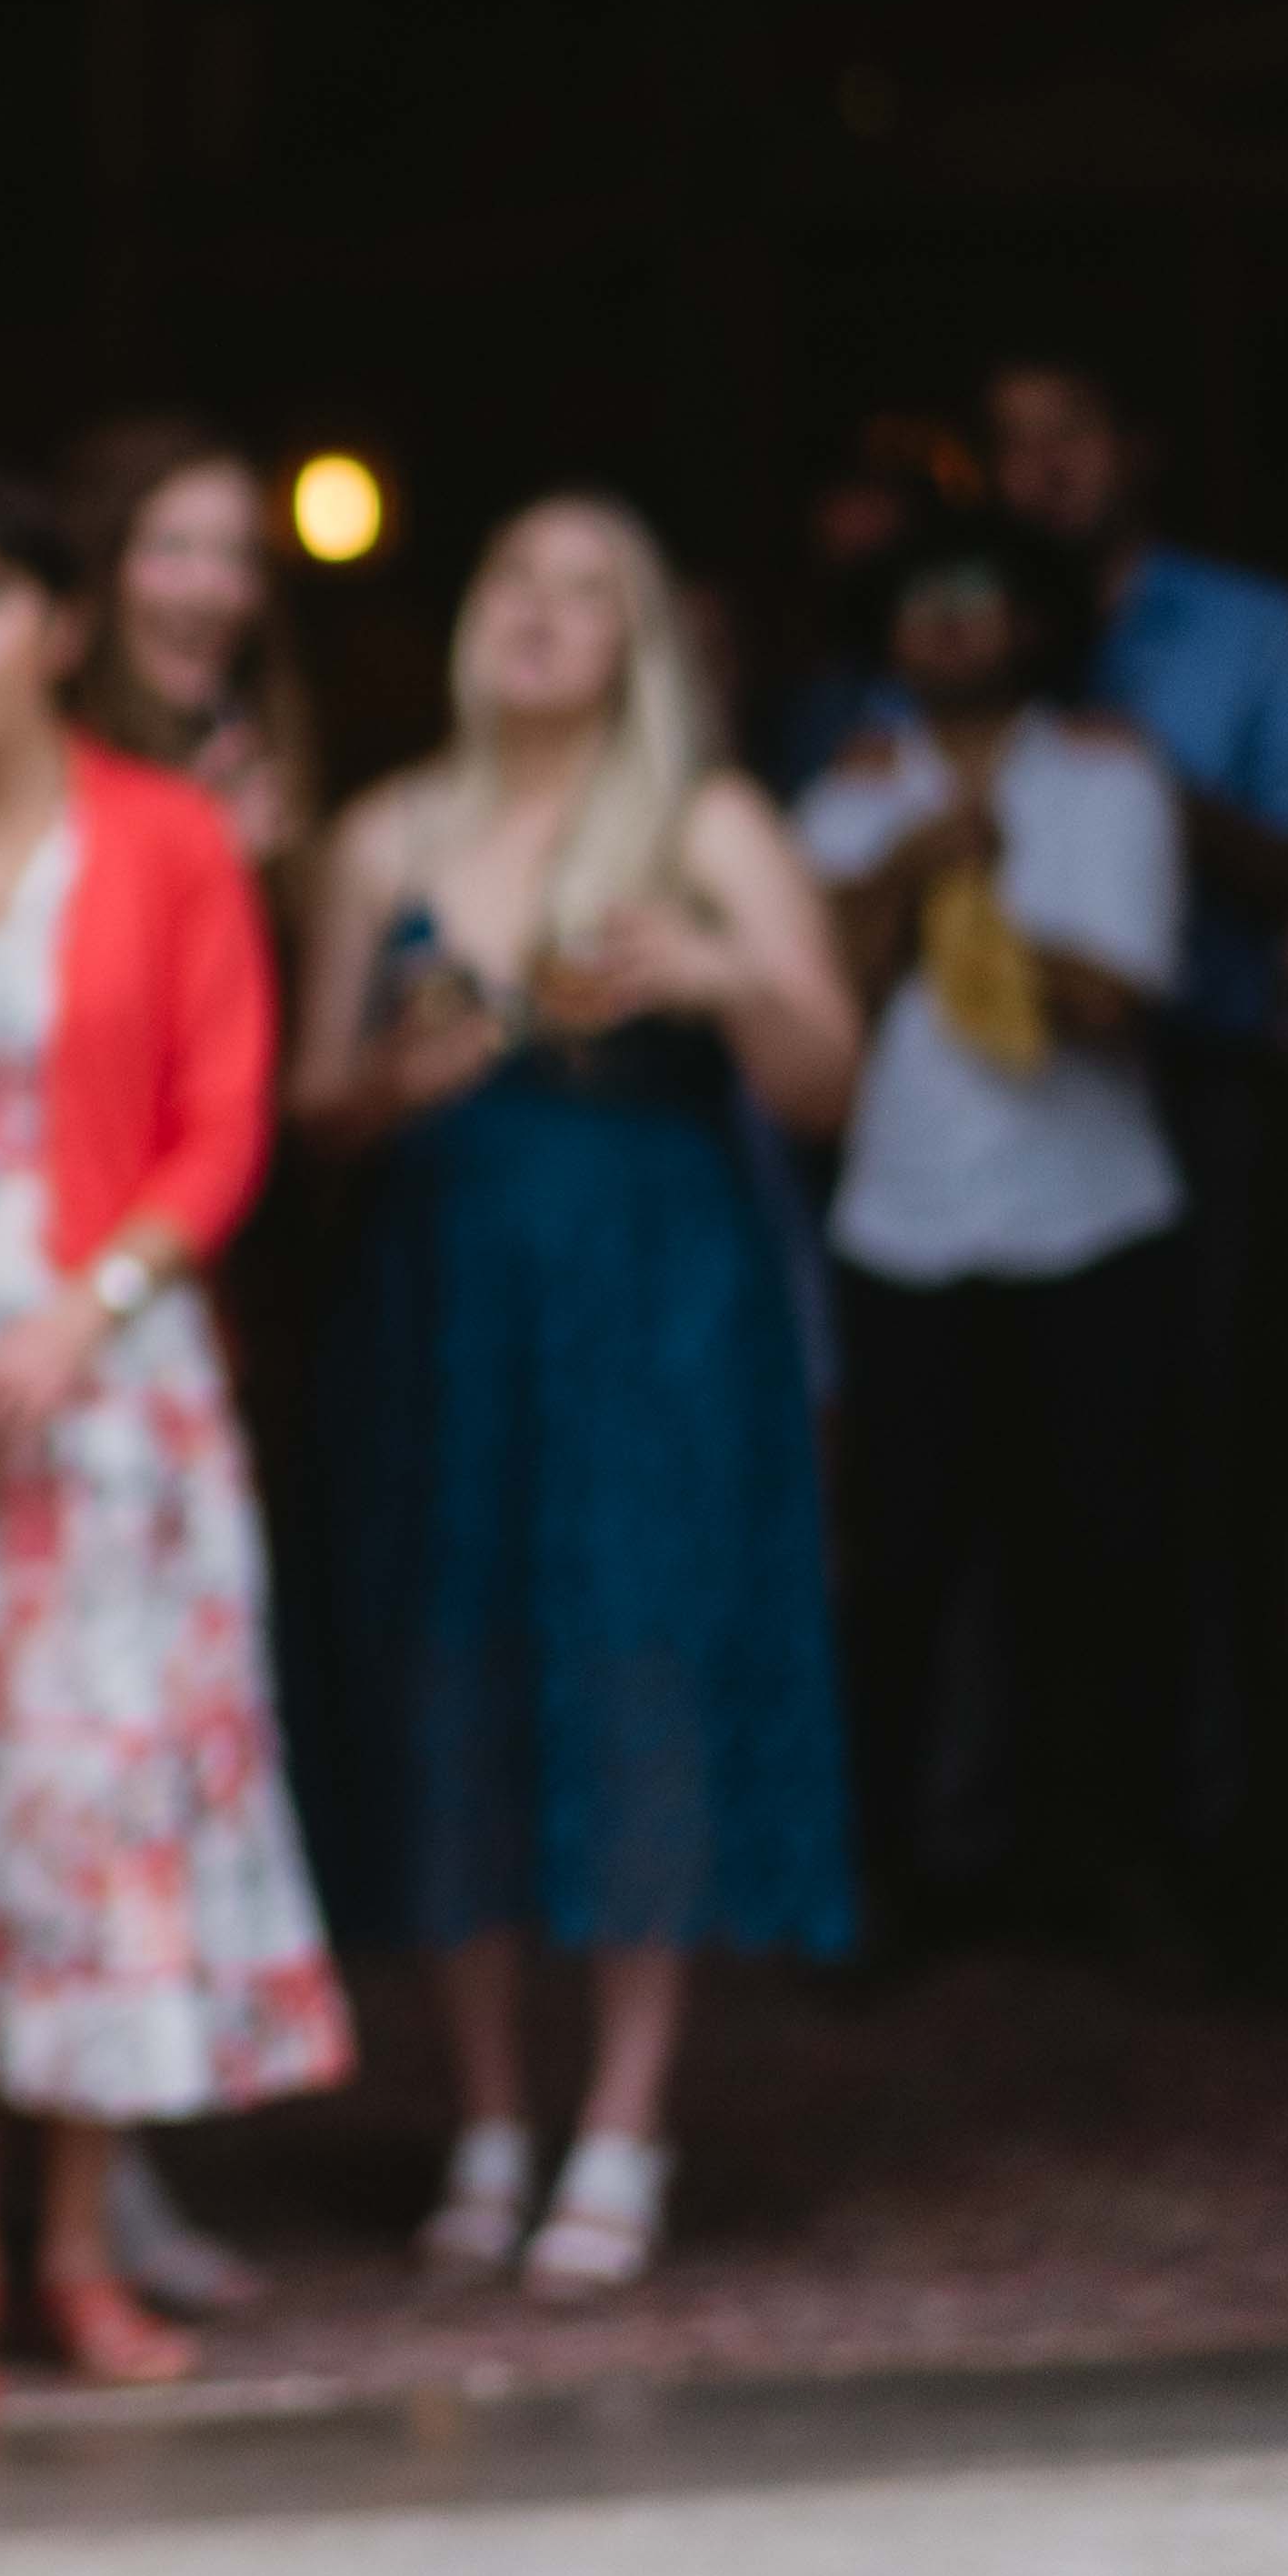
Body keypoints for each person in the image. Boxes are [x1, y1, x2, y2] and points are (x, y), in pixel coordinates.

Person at [291, 494, 863, 2299]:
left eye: (581, 591)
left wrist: (716, 972)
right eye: (508, 579)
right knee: (451, 1667)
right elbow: (304, 1122)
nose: (537, 614)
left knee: (635, 1667)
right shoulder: (380, 831)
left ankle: (620, 2117)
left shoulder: (703, 821)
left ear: (638, 639)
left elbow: (829, 1082)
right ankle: (481, 2113)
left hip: (652, 1293)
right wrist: (390, 1079)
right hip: (448, 1295)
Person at [0, 474, 346, 2391]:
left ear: (64, 624)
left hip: (107, 1382)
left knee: (99, 1795)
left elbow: (223, 1113)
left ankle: (77, 2247)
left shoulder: (164, 838)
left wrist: (84, 1310)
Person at [791, 510, 1192, 1949]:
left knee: (1111, 1559)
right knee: (897, 1569)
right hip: (903, 1222)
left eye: (980, 596)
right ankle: (888, 1879)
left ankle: (1125, 1869)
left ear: (1033, 620)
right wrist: (907, 868)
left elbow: (1124, 999)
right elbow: (809, 1012)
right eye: (921, 599)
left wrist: (989, 903)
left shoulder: (1108, 777)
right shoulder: (845, 795)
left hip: (1092, 1219)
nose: (949, 622)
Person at [983, 353, 1288, 1852]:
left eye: (1065, 432)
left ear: (1133, 444)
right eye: (1008, 444)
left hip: (1203, 1086)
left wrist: (1155, 797)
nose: (1039, 468)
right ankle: (1032, 1827)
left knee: (1199, 1461)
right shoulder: (964, 635)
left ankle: (1215, 1833)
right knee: (1018, 1455)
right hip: (1007, 1093)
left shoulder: (1253, 630)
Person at [65, 417, 322, 882]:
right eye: (172, 547)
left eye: (236, 553)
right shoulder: (52, 780)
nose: (210, 589)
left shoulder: (258, 759)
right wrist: (201, 861)